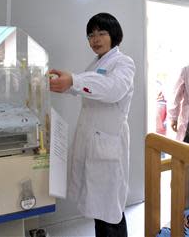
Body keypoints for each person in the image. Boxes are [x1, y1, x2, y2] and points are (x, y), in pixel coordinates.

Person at [49, 13, 135, 237]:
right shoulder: (96, 63)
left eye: (101, 33)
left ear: (114, 35)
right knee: (100, 208)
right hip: (94, 142)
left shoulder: (123, 62)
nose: (95, 39)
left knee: (110, 211)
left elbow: (113, 89)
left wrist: (75, 80)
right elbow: (87, 89)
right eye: (91, 35)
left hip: (108, 143)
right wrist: (63, 84)